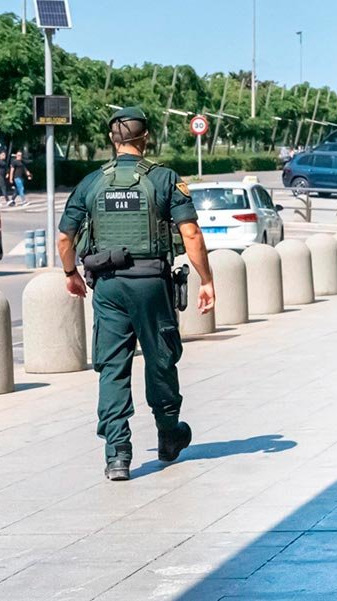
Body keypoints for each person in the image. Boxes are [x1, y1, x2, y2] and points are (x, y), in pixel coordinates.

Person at [56, 107, 216, 481]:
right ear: (146, 138)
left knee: (112, 366)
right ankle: (168, 434)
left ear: (113, 140)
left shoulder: (91, 183)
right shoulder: (164, 179)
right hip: (151, 283)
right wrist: (206, 279)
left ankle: (117, 454)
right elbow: (191, 233)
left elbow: (65, 238)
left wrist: (70, 273)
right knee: (160, 358)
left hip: (108, 285)